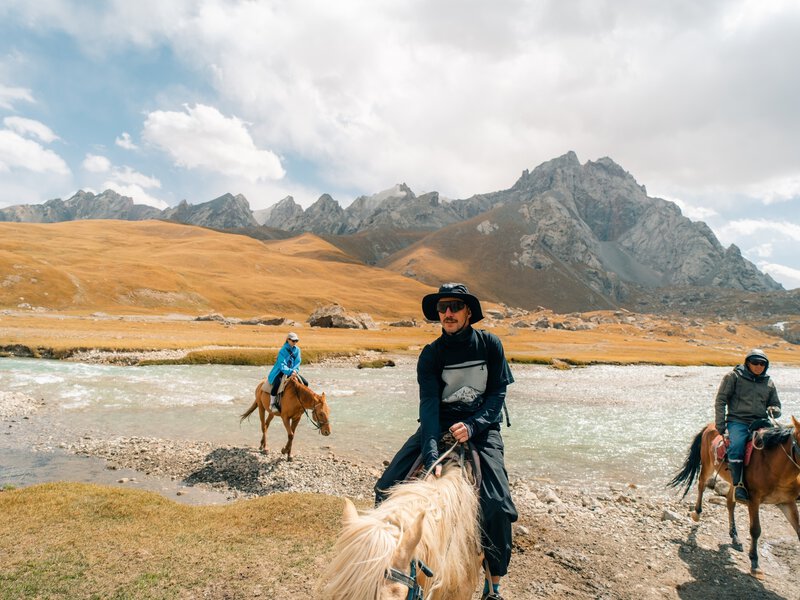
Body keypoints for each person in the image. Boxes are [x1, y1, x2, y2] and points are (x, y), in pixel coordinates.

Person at [375, 283, 517, 600]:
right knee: (384, 488)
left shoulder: (490, 345)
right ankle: (383, 563)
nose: (448, 313)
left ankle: (493, 585)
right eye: (443, 308)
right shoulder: (431, 354)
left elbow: (497, 394)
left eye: (455, 306)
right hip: (438, 424)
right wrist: (430, 451)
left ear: (469, 312)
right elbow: (427, 405)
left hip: (481, 428)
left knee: (496, 504)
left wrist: (475, 424)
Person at [715, 348, 781, 502]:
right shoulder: (733, 377)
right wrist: (720, 425)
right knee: (737, 446)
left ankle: (781, 482)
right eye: (755, 362)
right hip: (738, 421)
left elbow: (776, 405)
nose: (759, 366)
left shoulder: (768, 382)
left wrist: (774, 410)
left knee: (783, 443)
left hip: (761, 422)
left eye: (762, 363)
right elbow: (721, 400)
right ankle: (738, 486)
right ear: (747, 363)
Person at [267, 331, 308, 412]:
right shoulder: (282, 350)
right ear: (288, 340)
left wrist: (295, 371)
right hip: (280, 371)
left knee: (305, 383)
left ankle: (302, 402)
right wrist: (290, 372)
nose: (295, 342)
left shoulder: (297, 350)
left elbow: (297, 362)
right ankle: (272, 404)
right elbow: (282, 364)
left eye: (296, 341)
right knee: (277, 383)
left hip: (293, 372)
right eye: (293, 341)